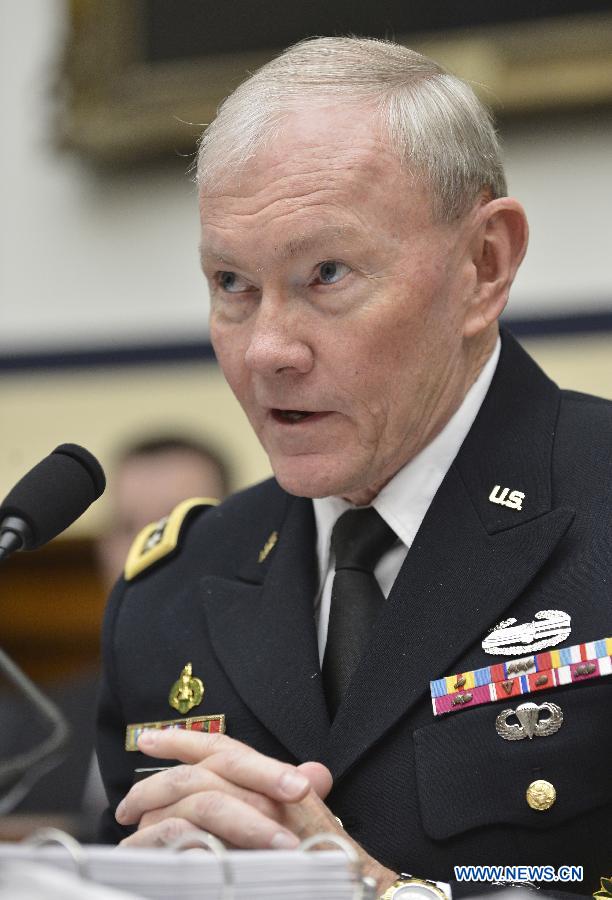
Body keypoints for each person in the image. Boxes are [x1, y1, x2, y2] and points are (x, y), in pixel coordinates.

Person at [96, 37, 612, 898]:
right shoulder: (169, 596)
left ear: (484, 266)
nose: (267, 350)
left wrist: (381, 893)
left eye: (325, 274)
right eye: (231, 283)